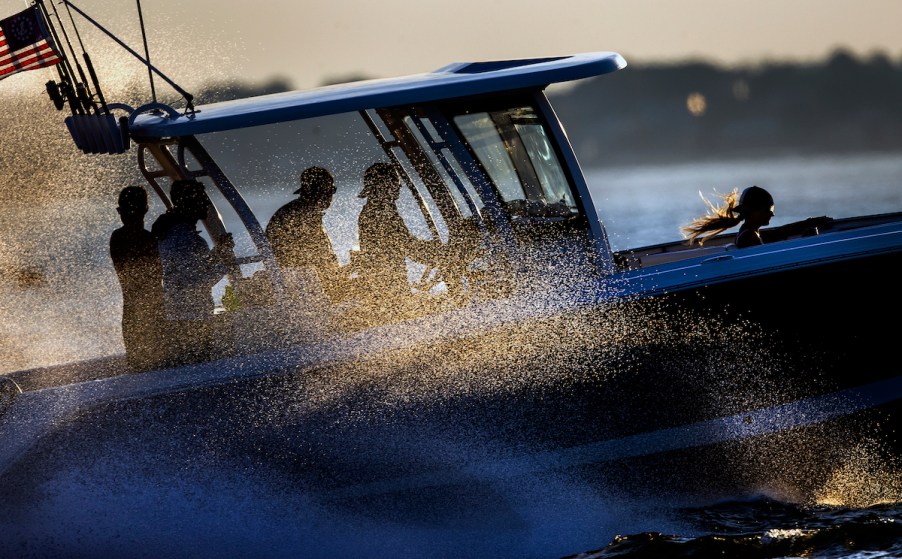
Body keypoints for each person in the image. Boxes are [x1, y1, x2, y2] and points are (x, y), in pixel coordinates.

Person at [151, 179, 235, 365]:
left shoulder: (173, 232)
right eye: (201, 199)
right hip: (192, 318)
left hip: (180, 314)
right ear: (190, 203)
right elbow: (200, 281)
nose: (206, 203)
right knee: (199, 361)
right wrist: (225, 260)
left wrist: (218, 252)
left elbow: (192, 269)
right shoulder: (188, 239)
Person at [351, 162, 438, 320]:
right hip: (389, 292)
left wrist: (435, 252)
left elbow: (405, 244)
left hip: (386, 288)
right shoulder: (381, 212)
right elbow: (410, 248)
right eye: (396, 182)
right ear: (384, 184)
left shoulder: (376, 209)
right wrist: (442, 254)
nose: (399, 187)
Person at [265, 166, 347, 305]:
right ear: (319, 192)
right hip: (305, 292)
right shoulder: (304, 217)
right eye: (330, 191)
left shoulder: (295, 210)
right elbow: (321, 267)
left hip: (301, 285)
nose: (331, 196)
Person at [109, 185, 166, 371]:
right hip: (153, 314)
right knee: (156, 366)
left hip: (131, 313)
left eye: (121, 210)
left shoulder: (117, 237)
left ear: (120, 211)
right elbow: (156, 275)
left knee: (138, 366)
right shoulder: (147, 239)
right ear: (146, 210)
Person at [681, 185, 833, 248]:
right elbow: (768, 258)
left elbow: (780, 232)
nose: (772, 214)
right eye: (768, 209)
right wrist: (805, 241)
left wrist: (810, 222)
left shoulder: (752, 232)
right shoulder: (750, 237)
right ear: (754, 211)